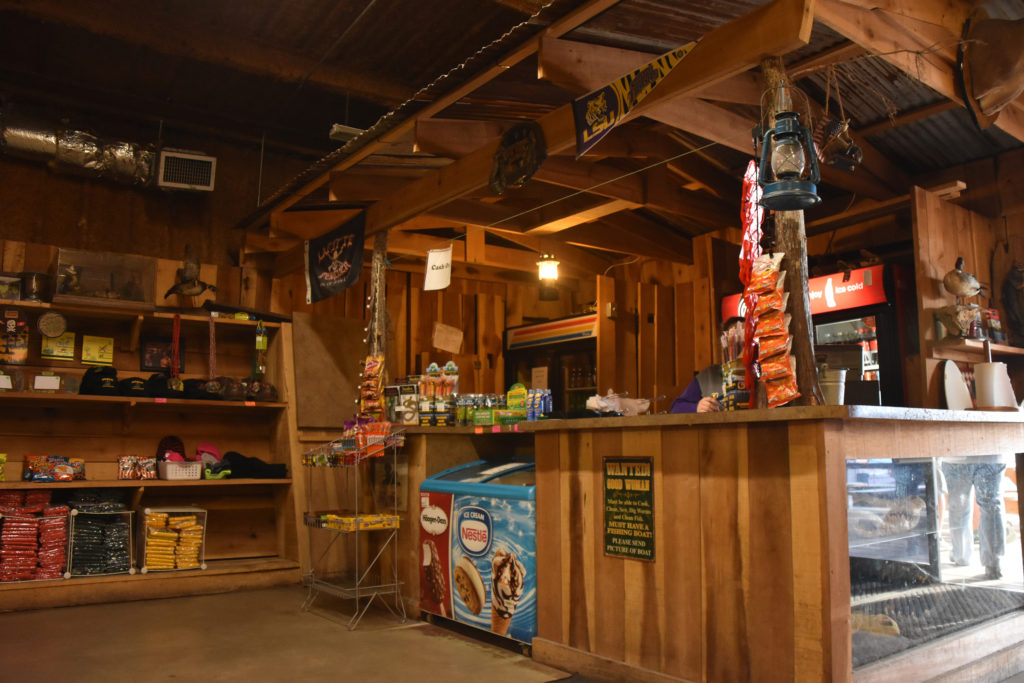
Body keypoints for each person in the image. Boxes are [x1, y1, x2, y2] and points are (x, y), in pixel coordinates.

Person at [940, 453, 1011, 580]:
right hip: (991, 454)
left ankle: (961, 556)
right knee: (992, 507)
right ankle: (994, 563)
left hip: (956, 456)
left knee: (958, 508)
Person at [670, 317, 744, 414]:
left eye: (745, 343)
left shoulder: (761, 372)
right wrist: (697, 407)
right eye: (736, 344)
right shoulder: (709, 376)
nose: (742, 350)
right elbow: (676, 408)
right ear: (724, 346)